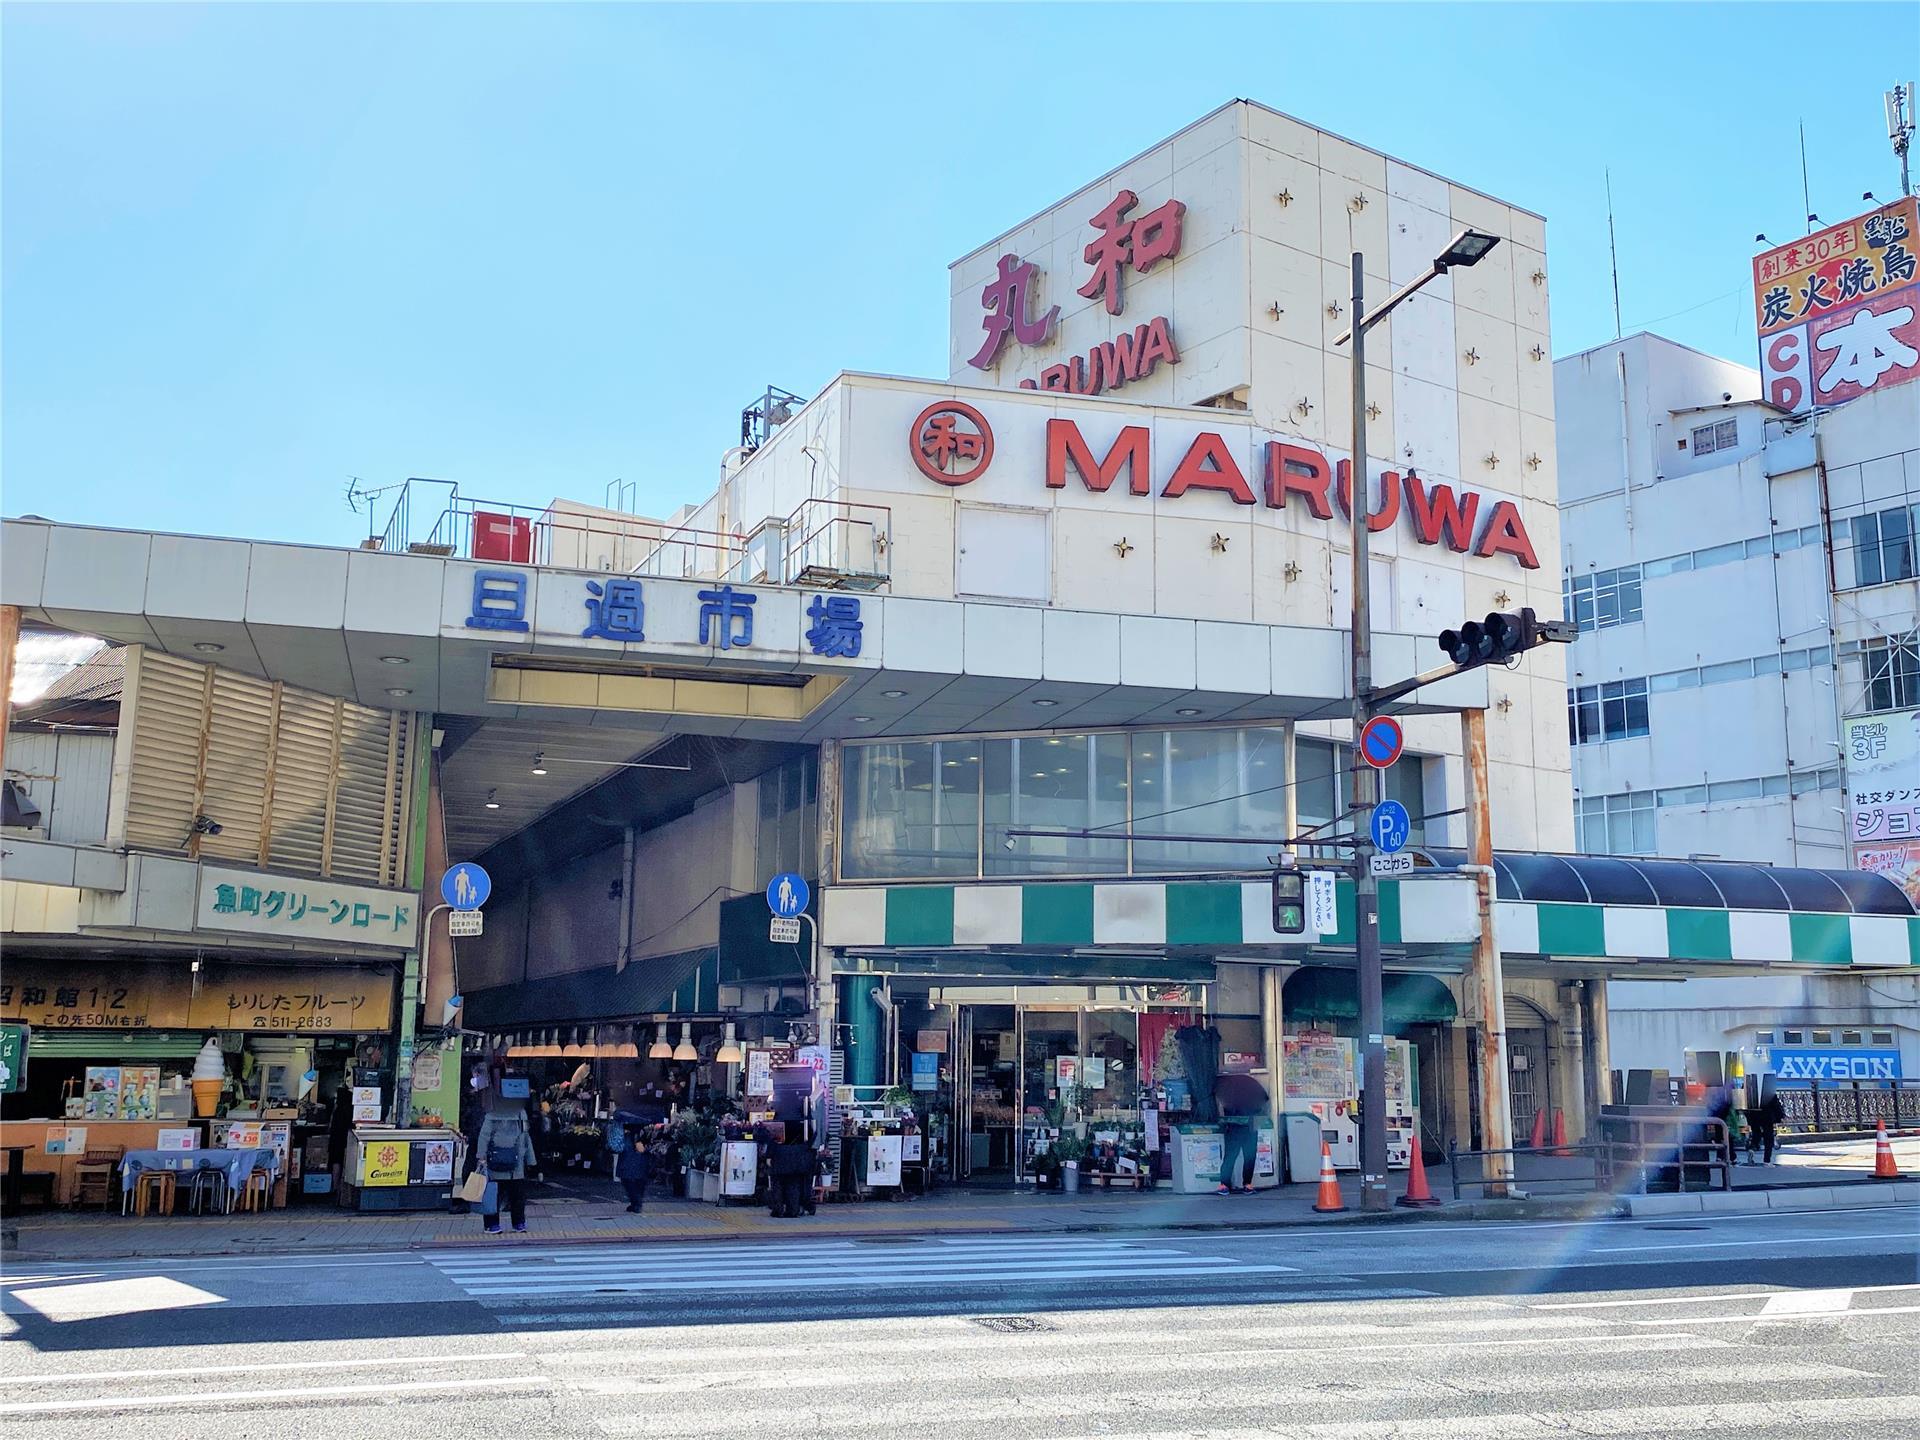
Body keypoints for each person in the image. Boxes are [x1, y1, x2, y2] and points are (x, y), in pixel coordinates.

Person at [474, 1102, 538, 1234]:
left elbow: (484, 1136)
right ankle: (518, 1223)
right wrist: (531, 1159)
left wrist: (481, 1157)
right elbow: (526, 1137)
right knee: (516, 1195)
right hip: (515, 1161)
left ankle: (492, 1224)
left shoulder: (493, 1113)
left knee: (494, 1194)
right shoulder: (520, 1113)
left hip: (497, 1160)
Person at [1213, 1068, 1271, 1195]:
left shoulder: (1226, 1087)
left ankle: (1224, 1185)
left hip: (1233, 1126)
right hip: (1251, 1125)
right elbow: (1264, 1100)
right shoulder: (1252, 1085)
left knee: (1230, 1156)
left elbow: (1220, 1106)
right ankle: (1247, 1184)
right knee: (1249, 1156)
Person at [613, 1116, 651, 1213]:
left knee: (628, 1180)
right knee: (639, 1180)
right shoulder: (644, 1119)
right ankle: (636, 1203)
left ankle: (636, 1203)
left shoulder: (628, 1116)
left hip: (630, 1151)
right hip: (639, 1154)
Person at [1752, 1085, 1786, 1164]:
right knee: (1768, 1139)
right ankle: (1766, 1161)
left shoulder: (1752, 1087)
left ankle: (1752, 1148)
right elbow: (1776, 1105)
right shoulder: (1768, 1091)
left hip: (1754, 1115)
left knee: (1756, 1134)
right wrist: (1781, 1117)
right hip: (1767, 1117)